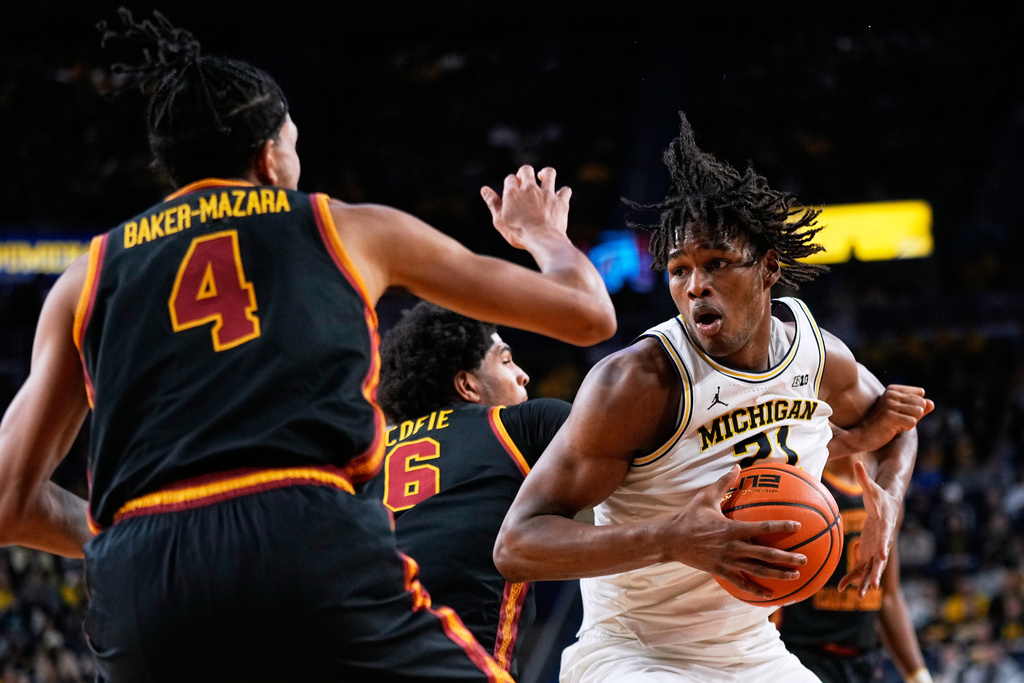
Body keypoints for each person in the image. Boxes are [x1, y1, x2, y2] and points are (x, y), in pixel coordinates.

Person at [0, 9, 615, 682]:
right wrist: (543, 234)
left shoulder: (83, 279)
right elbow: (587, 315)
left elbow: (9, 501)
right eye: (293, 142)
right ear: (270, 156)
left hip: (141, 581)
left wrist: (129, 540)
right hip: (299, 537)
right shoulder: (343, 227)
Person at [493, 110, 934, 682]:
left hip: (752, 652)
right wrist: (671, 539)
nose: (695, 284)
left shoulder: (820, 356)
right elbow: (518, 545)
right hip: (633, 653)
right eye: (679, 270)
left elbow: (898, 423)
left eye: (717, 264)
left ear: (768, 268)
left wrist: (890, 503)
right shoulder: (637, 381)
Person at [363, 301, 571, 678]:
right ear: (468, 385)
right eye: (506, 361)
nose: (523, 375)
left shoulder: (365, 462)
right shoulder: (518, 424)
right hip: (459, 657)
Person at [772, 452, 933, 683]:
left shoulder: (887, 487)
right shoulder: (805, 480)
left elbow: (887, 595)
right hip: (802, 655)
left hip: (865, 661)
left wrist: (918, 675)